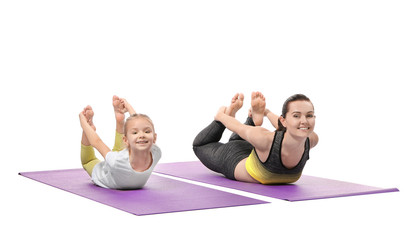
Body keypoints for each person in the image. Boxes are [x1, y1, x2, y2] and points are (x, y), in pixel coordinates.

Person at [193, 92, 318, 184]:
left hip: (253, 150)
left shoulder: (312, 139)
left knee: (247, 137)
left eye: (309, 115)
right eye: (296, 116)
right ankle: (228, 117)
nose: (304, 121)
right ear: (284, 120)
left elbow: (287, 126)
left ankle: (253, 118)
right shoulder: (265, 139)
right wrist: (220, 116)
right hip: (233, 158)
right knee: (199, 145)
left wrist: (267, 113)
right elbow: (238, 127)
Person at [79, 96, 161, 189]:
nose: (141, 135)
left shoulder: (156, 152)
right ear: (125, 140)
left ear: (154, 138)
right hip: (105, 173)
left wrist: (129, 107)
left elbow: (138, 124)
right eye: (135, 132)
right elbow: (97, 142)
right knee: (88, 161)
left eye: (147, 131)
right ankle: (88, 128)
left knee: (118, 152)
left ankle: (119, 121)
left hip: (118, 162)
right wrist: (84, 124)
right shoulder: (118, 162)